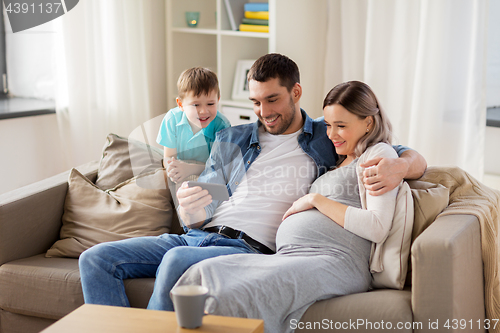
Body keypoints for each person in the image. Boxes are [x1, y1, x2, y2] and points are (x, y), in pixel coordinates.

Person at [79, 54, 426, 312]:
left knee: (174, 261)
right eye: (256, 102)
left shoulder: (327, 134)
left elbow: (400, 150)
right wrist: (190, 208)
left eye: (272, 99)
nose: (264, 111)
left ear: (296, 92)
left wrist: (400, 166)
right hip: (200, 236)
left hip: (248, 247)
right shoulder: (233, 138)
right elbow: (203, 211)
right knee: (95, 260)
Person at [174, 80, 408, 332]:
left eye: (341, 126)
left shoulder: (379, 156)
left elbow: (377, 227)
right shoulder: (339, 156)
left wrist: (315, 200)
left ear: (368, 123)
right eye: (328, 125)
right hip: (290, 255)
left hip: (334, 261)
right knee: (206, 272)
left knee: (242, 293)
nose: (331, 135)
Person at [156, 67, 230, 185]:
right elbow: (168, 156)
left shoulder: (222, 125)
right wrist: (172, 169)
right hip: (179, 168)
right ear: (181, 104)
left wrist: (189, 169)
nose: (204, 111)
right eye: (196, 105)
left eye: (211, 104)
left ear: (218, 100)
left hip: (206, 172)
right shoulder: (172, 119)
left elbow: (219, 167)